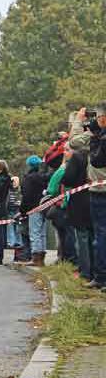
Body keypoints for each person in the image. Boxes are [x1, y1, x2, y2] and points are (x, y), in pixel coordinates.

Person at [70, 105, 106, 289]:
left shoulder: (98, 136)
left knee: (100, 235)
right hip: (97, 190)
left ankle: (101, 276)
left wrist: (79, 120)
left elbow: (74, 142)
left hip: (100, 191)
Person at [62, 135, 93, 281]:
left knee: (82, 236)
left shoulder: (77, 157)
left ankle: (85, 271)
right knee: (95, 236)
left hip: (80, 200)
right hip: (94, 196)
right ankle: (95, 270)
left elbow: (68, 178)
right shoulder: (94, 153)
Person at [20, 155, 49, 267]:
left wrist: (22, 210)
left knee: (34, 233)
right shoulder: (42, 177)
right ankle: (42, 256)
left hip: (32, 208)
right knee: (42, 233)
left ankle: (36, 257)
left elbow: (26, 195)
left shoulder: (29, 178)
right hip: (43, 206)